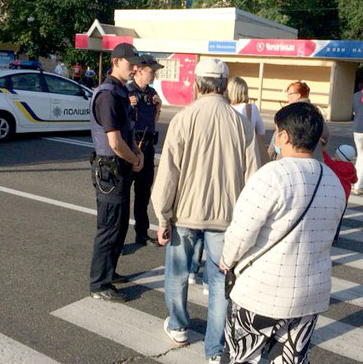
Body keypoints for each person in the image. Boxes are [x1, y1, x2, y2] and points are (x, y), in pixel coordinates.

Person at [151, 58, 260, 363]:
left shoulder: (183, 119)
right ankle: (215, 351)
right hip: (227, 219)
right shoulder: (241, 124)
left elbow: (169, 173)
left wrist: (163, 216)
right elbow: (254, 177)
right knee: (219, 284)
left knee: (176, 275)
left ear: (197, 85)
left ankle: (179, 326)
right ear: (225, 86)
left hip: (185, 215)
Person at [220, 102, 345, 364]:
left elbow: (242, 232)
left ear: (284, 135)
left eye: (277, 132)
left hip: (261, 291)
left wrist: (227, 260)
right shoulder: (333, 180)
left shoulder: (272, 175)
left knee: (241, 357)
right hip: (310, 293)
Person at [88, 43, 144, 303]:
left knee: (119, 225)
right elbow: (114, 142)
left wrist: (136, 155)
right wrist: (134, 159)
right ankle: (99, 284)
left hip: (121, 167)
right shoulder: (109, 95)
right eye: (130, 63)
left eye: (136, 63)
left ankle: (109, 272)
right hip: (111, 170)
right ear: (116, 61)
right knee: (109, 227)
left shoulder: (120, 91)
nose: (135, 67)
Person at [127, 54, 164, 247]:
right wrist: (127, 104)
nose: (154, 76)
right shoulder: (126, 91)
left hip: (147, 147)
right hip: (131, 148)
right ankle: (116, 239)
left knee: (143, 193)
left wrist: (158, 108)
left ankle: (141, 234)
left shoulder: (151, 93)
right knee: (124, 195)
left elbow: (153, 123)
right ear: (139, 70)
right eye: (152, 72)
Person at [267, 81, 329, 160]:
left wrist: (269, 155)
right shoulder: (314, 112)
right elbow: (326, 135)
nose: (287, 96)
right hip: (312, 159)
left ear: (299, 95)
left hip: (287, 158)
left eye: (290, 94)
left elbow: (277, 134)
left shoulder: (290, 112)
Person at [227, 77, 269, 165]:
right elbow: (261, 133)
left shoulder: (225, 108)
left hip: (229, 154)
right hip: (248, 156)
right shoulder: (251, 108)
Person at [323, 143, 357, 241]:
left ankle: (327, 235)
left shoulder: (334, 165)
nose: (335, 155)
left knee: (329, 217)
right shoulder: (351, 167)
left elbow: (327, 161)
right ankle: (335, 236)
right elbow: (355, 180)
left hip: (332, 196)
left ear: (341, 156)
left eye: (336, 154)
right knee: (339, 218)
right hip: (344, 198)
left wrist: (324, 150)